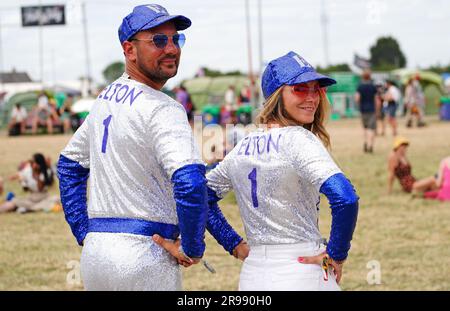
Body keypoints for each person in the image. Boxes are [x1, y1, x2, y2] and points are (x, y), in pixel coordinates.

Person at [57, 4, 246, 291]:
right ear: (129, 50)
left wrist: (85, 231)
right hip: (147, 256)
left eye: (175, 39)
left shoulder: (106, 98)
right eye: (158, 40)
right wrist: (193, 249)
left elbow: (69, 165)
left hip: (96, 257)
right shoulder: (163, 108)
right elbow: (191, 184)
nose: (171, 48)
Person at [157, 52, 359, 291]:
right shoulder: (299, 139)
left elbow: (202, 196)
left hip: (253, 275)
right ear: (276, 96)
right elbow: (345, 198)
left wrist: (235, 245)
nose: (312, 97)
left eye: (316, 89)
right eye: (300, 89)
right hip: (303, 270)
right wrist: (336, 256)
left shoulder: (243, 146)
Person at [355, 69, 378, 153]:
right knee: (371, 129)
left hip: (363, 110)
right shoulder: (373, 86)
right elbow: (376, 100)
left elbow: (357, 98)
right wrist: (377, 110)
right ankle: (370, 145)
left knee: (365, 128)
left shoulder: (360, 86)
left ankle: (365, 142)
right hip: (372, 110)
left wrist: (359, 105)